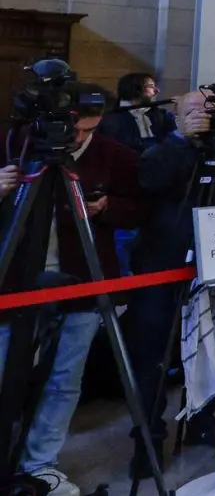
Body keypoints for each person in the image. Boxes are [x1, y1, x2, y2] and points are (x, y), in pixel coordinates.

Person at [0, 92, 142, 496]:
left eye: (88, 131)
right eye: (74, 128)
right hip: (15, 281)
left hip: (82, 280)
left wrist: (108, 208)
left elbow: (139, 209)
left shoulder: (113, 154)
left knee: (64, 379)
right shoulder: (16, 143)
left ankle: (39, 463)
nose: (77, 138)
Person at [126, 91, 215, 479]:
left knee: (212, 347)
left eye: (209, 112)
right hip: (162, 266)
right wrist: (183, 141)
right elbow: (149, 180)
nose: (203, 118)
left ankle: (204, 420)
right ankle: (148, 439)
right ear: (175, 116)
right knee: (152, 356)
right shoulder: (160, 147)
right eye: (192, 112)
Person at [97, 72, 175, 155]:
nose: (157, 91)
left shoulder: (162, 115)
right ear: (136, 90)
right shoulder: (112, 119)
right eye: (151, 86)